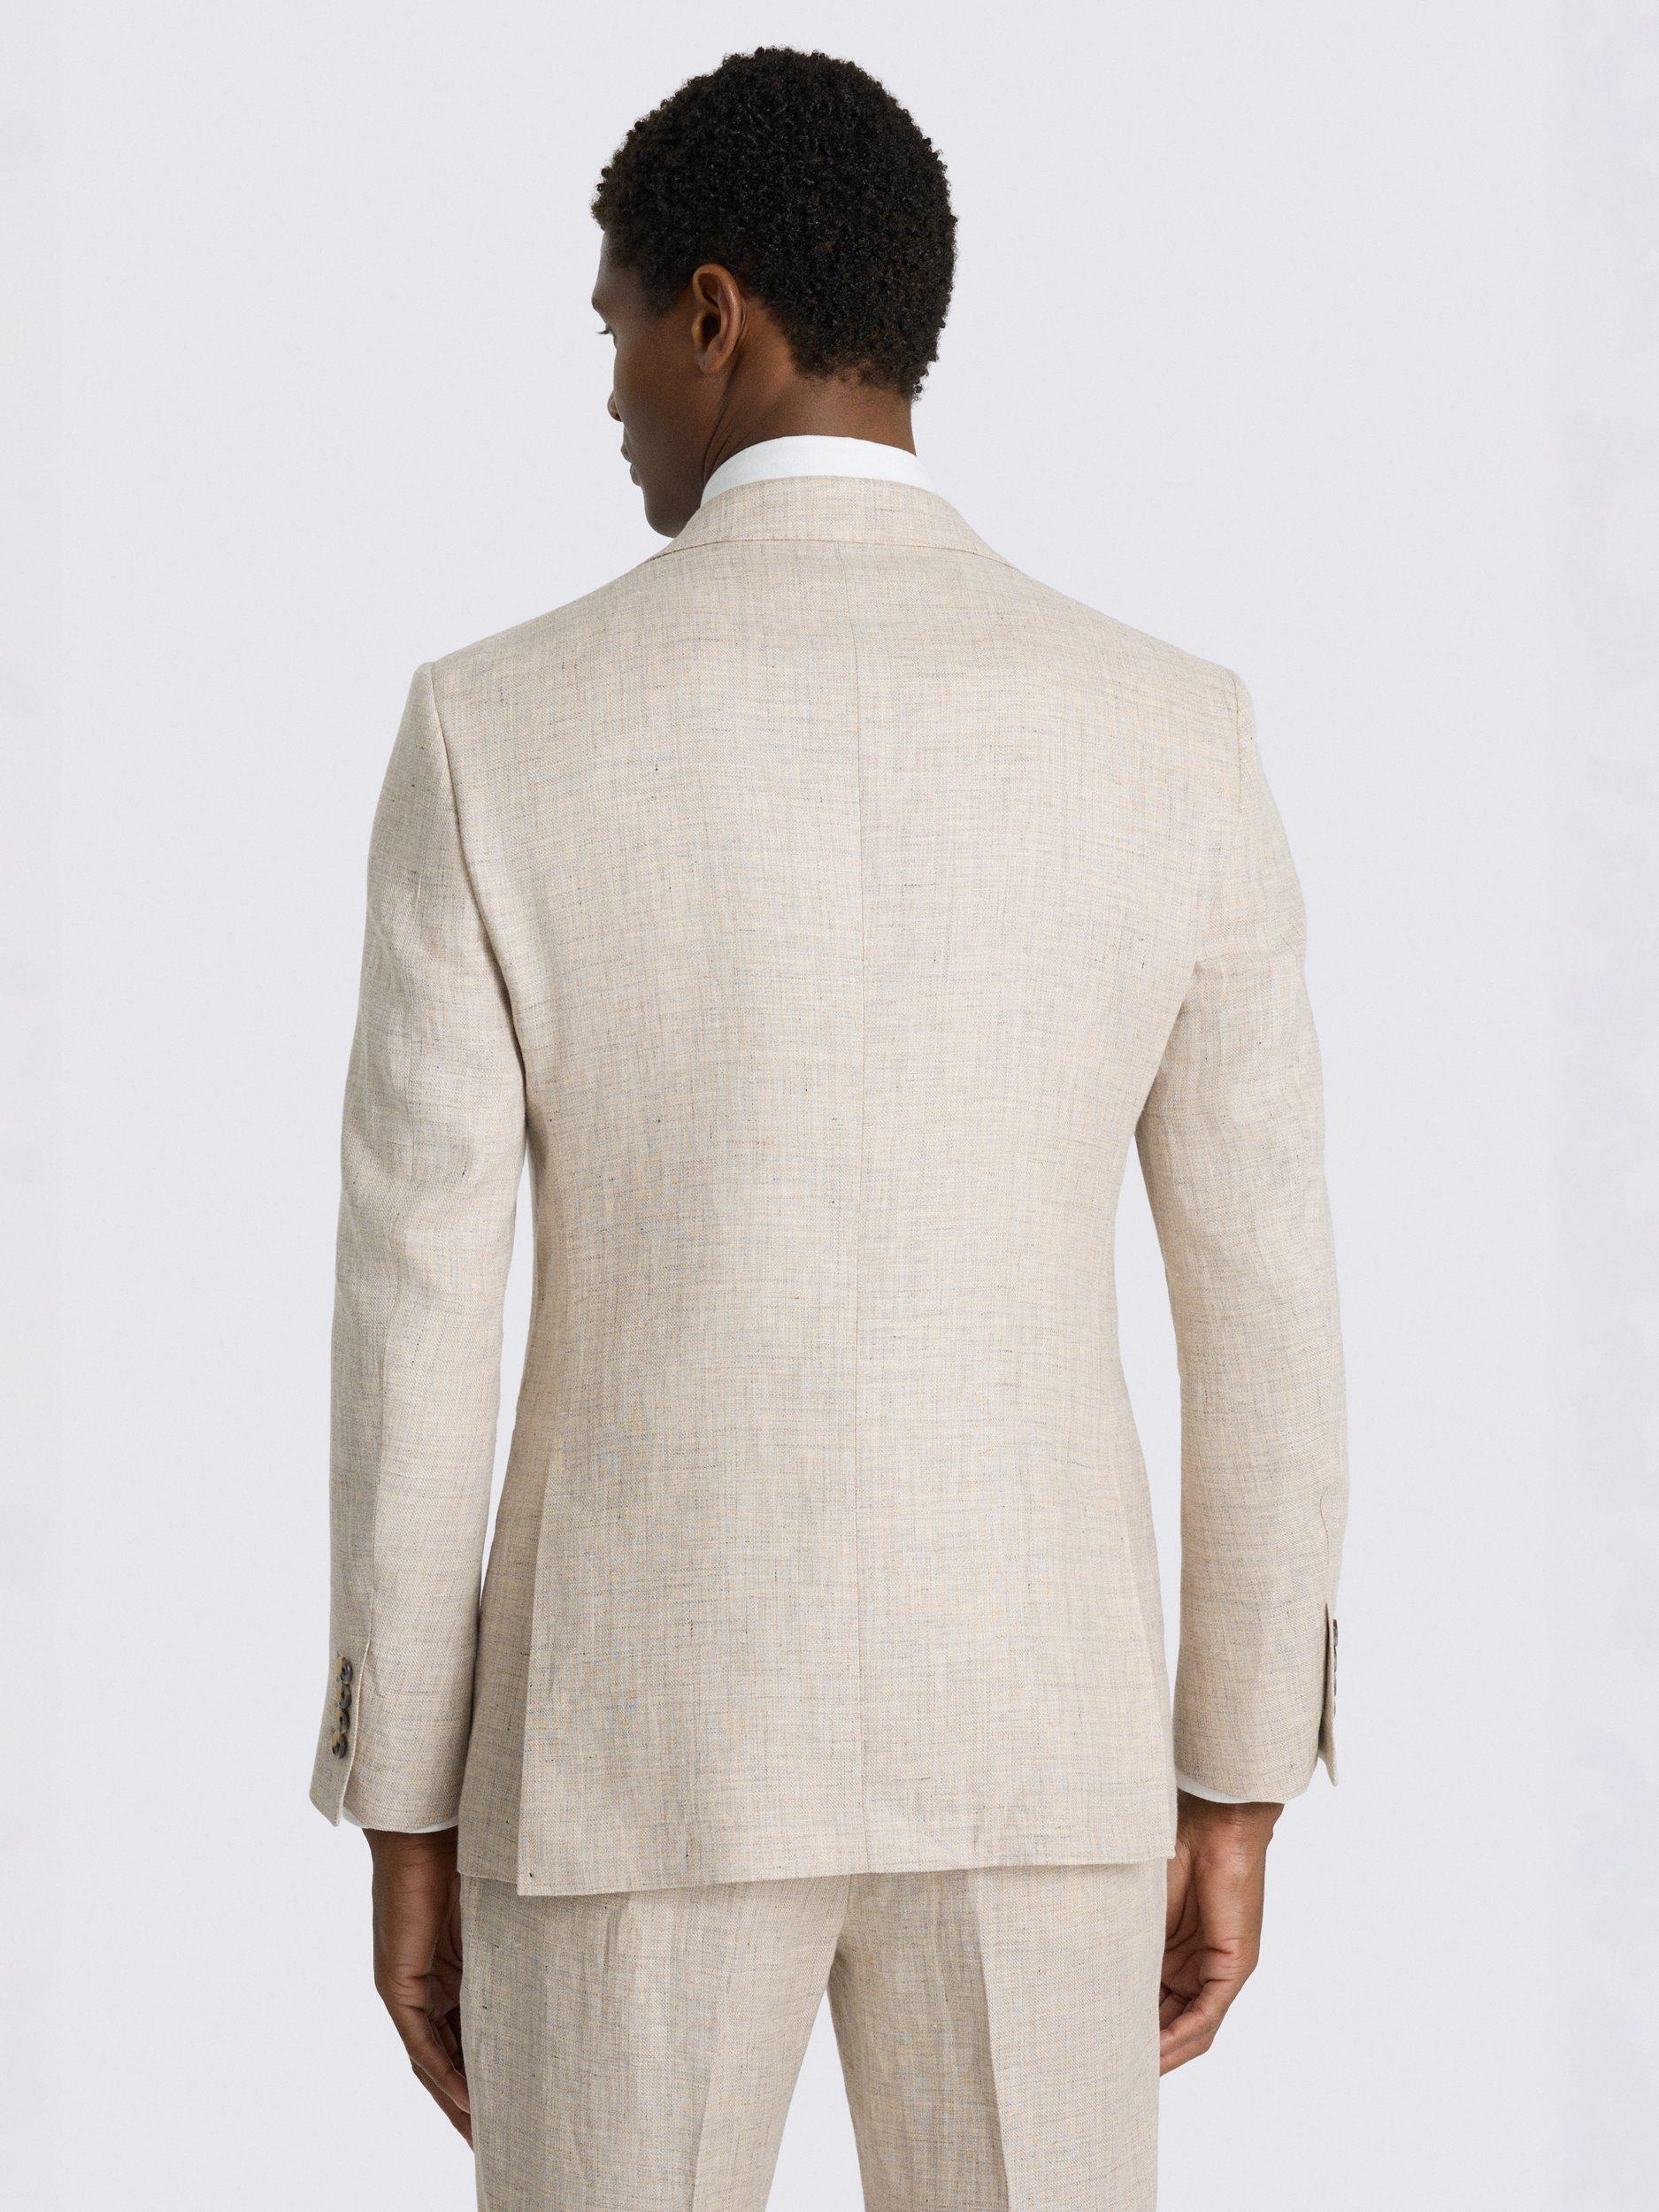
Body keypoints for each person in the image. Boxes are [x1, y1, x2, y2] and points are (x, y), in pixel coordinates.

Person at [311, 46, 1347, 2212]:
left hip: (628, 1750)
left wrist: (405, 1797)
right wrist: (1236, 1769)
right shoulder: (1168, 730)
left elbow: (419, 1313)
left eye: (614, 326)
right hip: (1040, 1735)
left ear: (714, 314)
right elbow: (1264, 1301)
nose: (609, 391)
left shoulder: (494, 728)